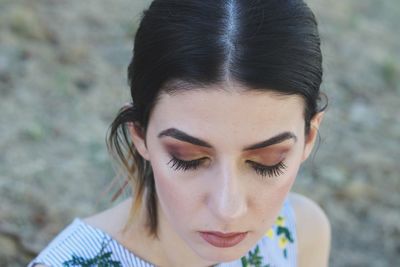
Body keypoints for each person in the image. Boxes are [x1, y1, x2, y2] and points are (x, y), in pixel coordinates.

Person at [29, 0, 331, 266]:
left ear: (308, 137)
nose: (228, 209)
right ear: (140, 134)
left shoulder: (298, 234)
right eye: (188, 159)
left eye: (268, 161)